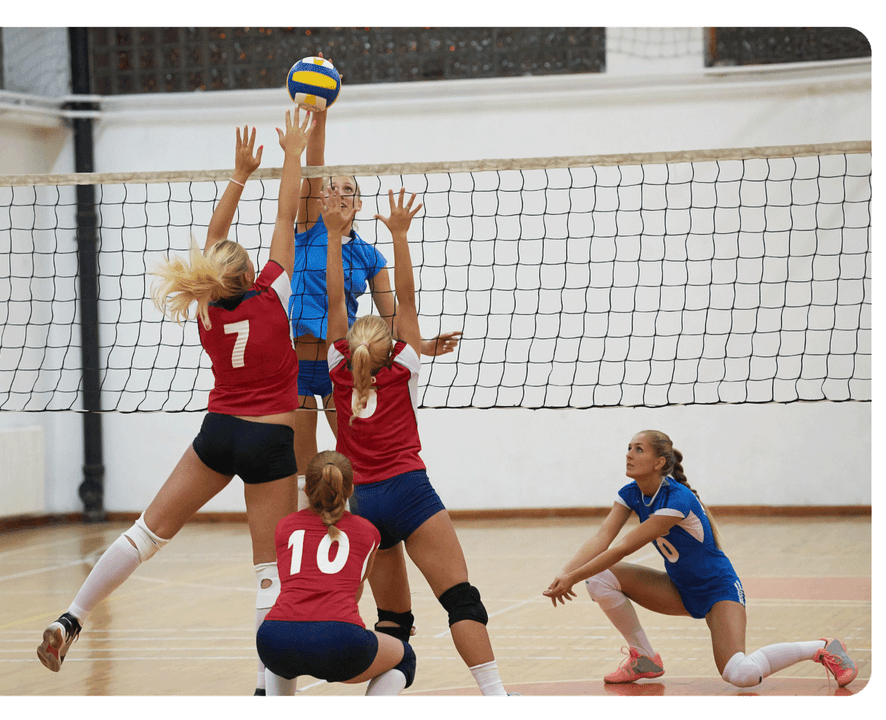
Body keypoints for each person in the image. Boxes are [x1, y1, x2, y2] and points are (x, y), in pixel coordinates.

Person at [37, 109, 314, 685]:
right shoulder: (273, 294)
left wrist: (239, 173)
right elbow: (287, 212)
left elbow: (214, 241)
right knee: (270, 574)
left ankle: (73, 615)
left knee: (145, 533)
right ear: (252, 274)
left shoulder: (206, 306)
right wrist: (295, 152)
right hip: (269, 438)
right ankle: (271, 694)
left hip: (218, 434)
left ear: (212, 275)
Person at [321, 187, 513, 697]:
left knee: (392, 622)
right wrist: (400, 234)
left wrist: (335, 236)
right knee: (461, 601)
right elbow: (405, 299)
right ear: (389, 347)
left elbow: (335, 298)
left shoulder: (338, 366)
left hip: (360, 502)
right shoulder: (405, 363)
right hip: (410, 491)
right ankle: (496, 697)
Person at [543, 429, 859, 689]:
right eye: (628, 447)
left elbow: (623, 547)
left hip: (718, 592)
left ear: (659, 462)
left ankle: (821, 647)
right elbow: (602, 537)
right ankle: (644, 658)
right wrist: (566, 571)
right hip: (679, 588)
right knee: (598, 578)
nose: (629, 454)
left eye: (639, 449)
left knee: (741, 674)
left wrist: (570, 577)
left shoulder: (677, 499)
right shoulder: (630, 493)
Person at [291, 84, 461, 485]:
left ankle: (367, 528)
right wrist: (321, 111)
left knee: (352, 461)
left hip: (342, 363)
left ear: (359, 203)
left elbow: (393, 314)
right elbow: (314, 164)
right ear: (320, 198)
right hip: (296, 362)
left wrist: (422, 345)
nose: (338, 192)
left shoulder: (369, 255)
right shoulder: (307, 228)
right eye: (331, 187)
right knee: (301, 472)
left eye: (348, 189)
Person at [256, 451, 417, 696]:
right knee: (404, 657)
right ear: (350, 489)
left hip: (274, 638)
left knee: (284, 654)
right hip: (340, 641)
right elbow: (354, 592)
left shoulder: (284, 527)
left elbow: (295, 584)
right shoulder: (368, 532)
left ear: (307, 490)